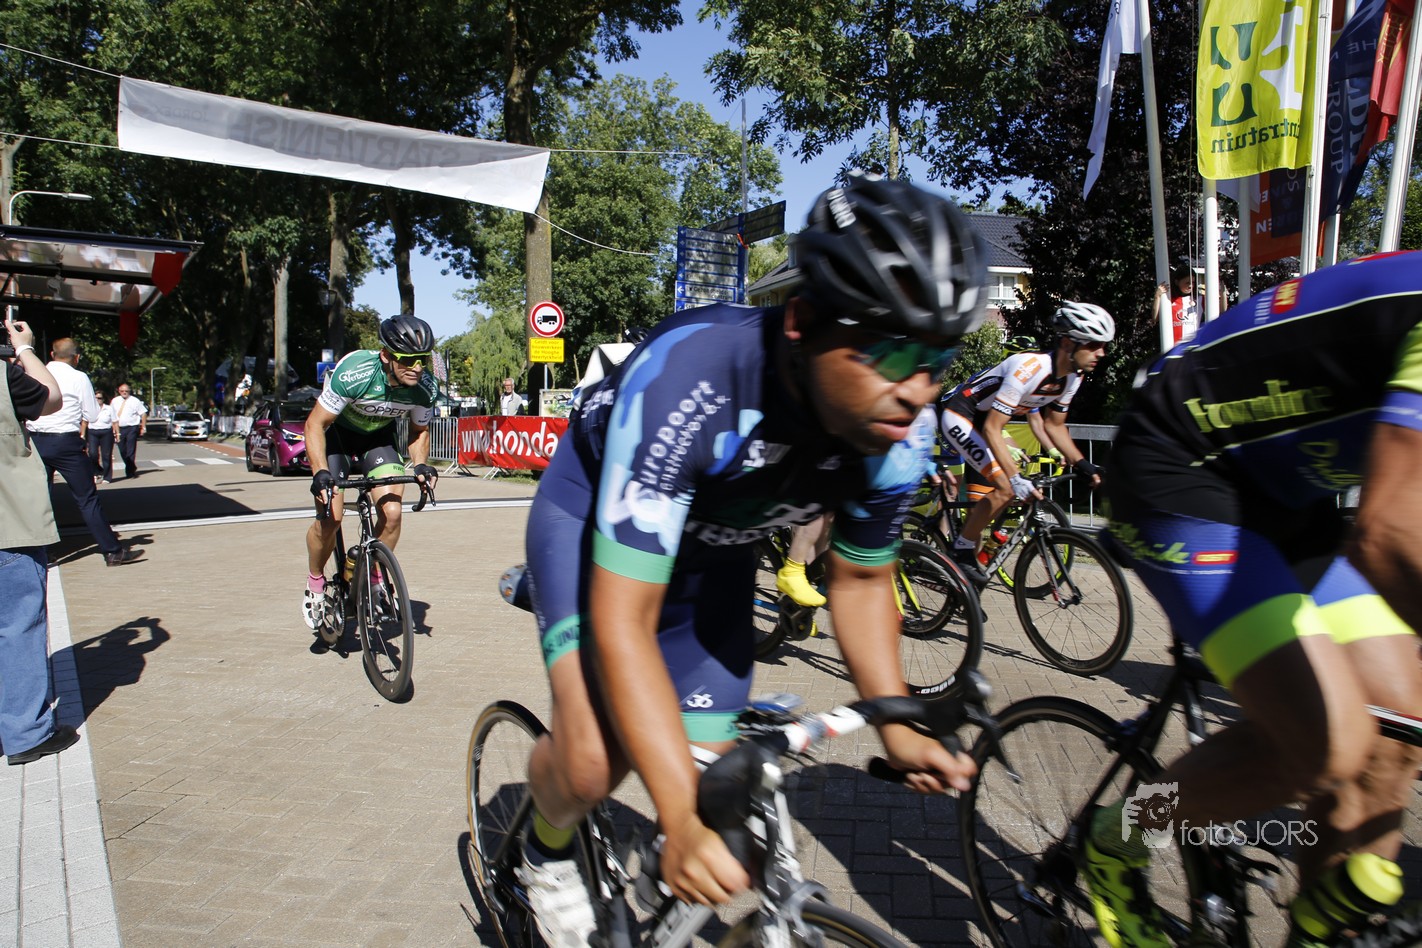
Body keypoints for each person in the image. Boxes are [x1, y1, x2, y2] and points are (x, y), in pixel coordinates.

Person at [516, 174, 985, 944]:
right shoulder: (694, 379)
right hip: (591, 524)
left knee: (716, 790)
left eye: (938, 359)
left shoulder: (904, 432)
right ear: (801, 321)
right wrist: (675, 817)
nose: (917, 390)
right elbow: (624, 623)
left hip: (715, 558)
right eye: (893, 350)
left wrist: (898, 726)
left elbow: (862, 579)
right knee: (597, 759)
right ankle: (546, 848)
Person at [1090, 250, 1422, 948]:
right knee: (1327, 746)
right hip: (1179, 467)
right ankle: (1119, 837)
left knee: (1395, 736)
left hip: (1286, 494)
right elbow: (1390, 533)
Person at [936, 302, 1110, 583]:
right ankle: (961, 552)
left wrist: (1084, 465)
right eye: (1093, 345)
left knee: (1007, 490)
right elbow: (993, 428)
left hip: (984, 422)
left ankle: (967, 573)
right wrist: (1015, 479)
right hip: (961, 415)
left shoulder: (1072, 378)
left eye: (1103, 346)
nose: (1100, 353)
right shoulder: (1029, 368)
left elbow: (1054, 425)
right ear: (1068, 343)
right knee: (1006, 487)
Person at [302, 315, 440, 631]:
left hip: (377, 439)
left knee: (392, 514)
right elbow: (315, 424)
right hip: (337, 436)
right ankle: (315, 583)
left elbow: (419, 431)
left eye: (423, 359)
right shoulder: (355, 374)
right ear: (386, 356)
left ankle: (373, 575)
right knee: (330, 518)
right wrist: (320, 472)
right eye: (408, 359)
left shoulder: (425, 388)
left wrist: (420, 465)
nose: (417, 367)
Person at [1, 316, 82, 764]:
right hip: (8, 523)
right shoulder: (6, 376)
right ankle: (24, 733)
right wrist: (25, 349)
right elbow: (50, 397)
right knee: (18, 626)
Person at [25, 340, 140, 567]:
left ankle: (41, 554)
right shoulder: (79, 378)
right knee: (87, 499)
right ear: (76, 357)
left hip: (36, 440)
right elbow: (92, 414)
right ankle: (113, 552)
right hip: (66, 442)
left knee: (39, 499)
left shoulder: (34, 372)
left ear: (52, 354)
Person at [110, 382, 147, 479]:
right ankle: (131, 466)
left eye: (126, 391)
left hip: (132, 427)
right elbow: (111, 414)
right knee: (122, 450)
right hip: (119, 428)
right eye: (122, 391)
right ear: (119, 391)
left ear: (129, 391)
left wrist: (143, 427)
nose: (124, 392)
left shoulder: (135, 401)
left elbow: (143, 414)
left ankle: (129, 472)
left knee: (130, 450)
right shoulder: (115, 401)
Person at [88, 388, 116, 484]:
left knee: (106, 455)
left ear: (103, 399)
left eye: (99, 398)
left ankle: (107, 477)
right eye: (95, 398)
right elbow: (84, 421)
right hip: (92, 432)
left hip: (106, 432)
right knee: (92, 454)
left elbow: (115, 421)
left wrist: (117, 434)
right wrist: (82, 434)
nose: (97, 400)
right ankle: (97, 471)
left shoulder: (109, 408)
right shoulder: (89, 409)